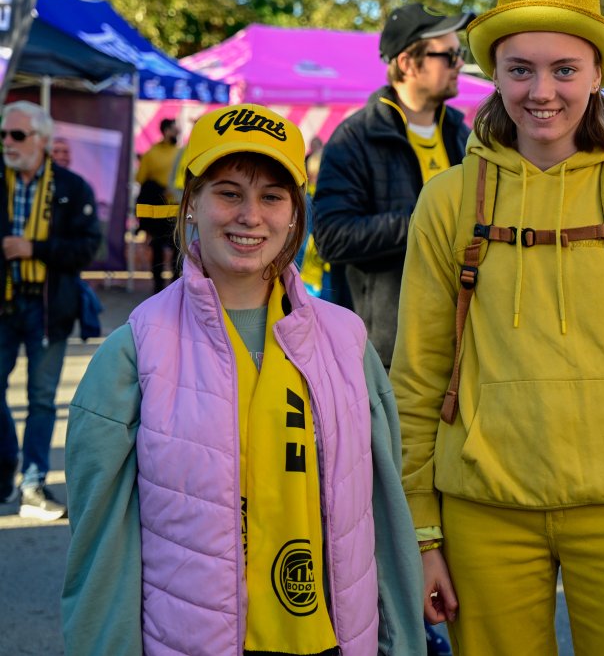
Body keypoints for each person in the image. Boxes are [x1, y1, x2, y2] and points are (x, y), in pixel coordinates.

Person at [391, 0, 604, 655]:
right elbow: (418, 378)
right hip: (482, 513)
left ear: (598, 72)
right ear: (495, 73)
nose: (541, 91)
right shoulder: (449, 201)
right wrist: (421, 529)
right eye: (520, 70)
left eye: (564, 69)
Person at [61, 104, 425, 655]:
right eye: (228, 192)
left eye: (272, 196)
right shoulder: (135, 350)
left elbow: (381, 518)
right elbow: (99, 549)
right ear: (191, 205)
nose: (251, 215)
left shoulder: (346, 341)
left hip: (331, 640)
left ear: (296, 212)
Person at [313, 2, 476, 356]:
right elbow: (331, 237)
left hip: (462, 340)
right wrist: (426, 223)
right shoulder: (354, 138)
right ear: (406, 63)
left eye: (459, 53)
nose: (460, 63)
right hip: (386, 350)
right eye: (449, 55)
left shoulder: (463, 136)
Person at [1, 101, 101, 519]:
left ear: (41, 140)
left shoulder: (72, 187)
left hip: (48, 307)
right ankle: (7, 468)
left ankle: (33, 484)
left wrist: (34, 249)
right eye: (4, 135)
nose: (7, 143)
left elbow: (86, 248)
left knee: (42, 400)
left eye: (17, 135)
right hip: (4, 304)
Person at [136, 118, 181, 293]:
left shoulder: (180, 153)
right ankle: (158, 289)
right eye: (174, 129)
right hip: (159, 212)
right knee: (159, 250)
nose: (177, 132)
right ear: (166, 130)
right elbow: (140, 179)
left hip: (176, 210)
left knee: (178, 251)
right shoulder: (152, 153)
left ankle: (176, 288)